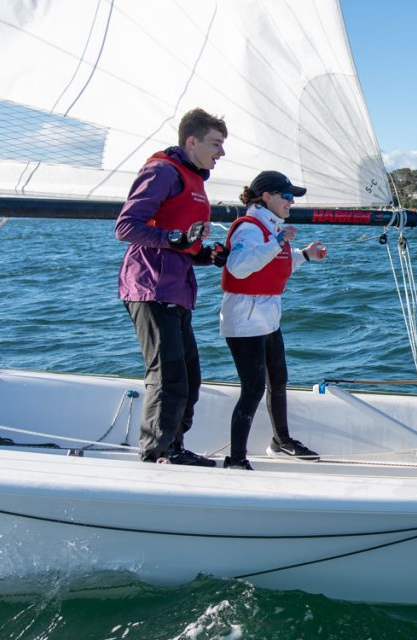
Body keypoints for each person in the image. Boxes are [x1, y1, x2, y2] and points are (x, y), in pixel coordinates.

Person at [115, 108, 228, 466]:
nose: (221, 153)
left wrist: (205, 254)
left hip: (177, 288)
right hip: (150, 286)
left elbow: (181, 244)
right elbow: (126, 227)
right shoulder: (163, 170)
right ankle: (157, 453)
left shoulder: (195, 179)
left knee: (190, 377)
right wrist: (176, 238)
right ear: (191, 141)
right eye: (216, 143)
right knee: (168, 376)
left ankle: (173, 446)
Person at [219, 171, 328, 470]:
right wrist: (276, 242)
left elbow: (273, 261)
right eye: (287, 196)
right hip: (244, 320)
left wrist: (304, 255)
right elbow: (239, 267)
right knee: (253, 388)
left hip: (267, 317)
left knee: (278, 381)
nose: (291, 202)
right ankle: (237, 460)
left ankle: (281, 442)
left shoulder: (269, 227)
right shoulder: (249, 228)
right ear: (265, 196)